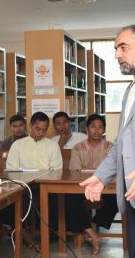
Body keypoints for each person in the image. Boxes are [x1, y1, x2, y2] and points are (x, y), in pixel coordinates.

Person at [80, 25, 135, 257]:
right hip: (131, 198)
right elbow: (121, 142)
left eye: (123, 47)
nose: (116, 54)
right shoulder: (130, 90)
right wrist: (101, 177)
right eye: (115, 48)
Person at [67, 114, 118, 254]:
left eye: (100, 127)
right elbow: (74, 172)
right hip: (84, 187)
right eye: (93, 127)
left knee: (117, 198)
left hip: (105, 187)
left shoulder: (111, 147)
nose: (97, 131)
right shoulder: (78, 148)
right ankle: (92, 233)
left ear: (104, 130)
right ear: (87, 129)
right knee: (69, 198)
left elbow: (114, 171)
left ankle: (93, 225)